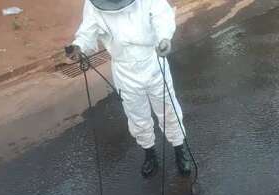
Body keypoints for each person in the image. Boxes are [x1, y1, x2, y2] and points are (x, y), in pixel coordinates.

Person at [66, 0, 192, 178]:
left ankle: (180, 150)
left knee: (168, 109)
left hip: (152, 60)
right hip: (124, 69)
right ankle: (150, 154)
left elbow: (161, 15)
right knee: (136, 115)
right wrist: (78, 46)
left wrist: (164, 38)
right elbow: (88, 29)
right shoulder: (94, 4)